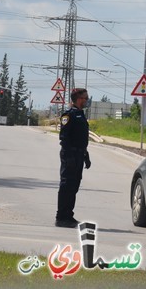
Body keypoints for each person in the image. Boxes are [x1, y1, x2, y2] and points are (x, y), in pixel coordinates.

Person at [55, 88, 91, 228]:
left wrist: (86, 155)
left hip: (79, 154)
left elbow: (81, 138)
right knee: (66, 185)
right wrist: (69, 156)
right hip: (70, 155)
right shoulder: (68, 115)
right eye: (85, 98)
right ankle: (61, 216)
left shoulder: (80, 114)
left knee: (74, 186)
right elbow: (64, 138)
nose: (87, 100)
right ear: (78, 99)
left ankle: (68, 215)